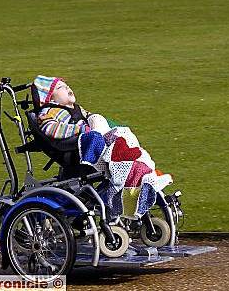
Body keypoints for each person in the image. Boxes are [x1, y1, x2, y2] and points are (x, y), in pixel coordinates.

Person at [33, 75, 172, 219]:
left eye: (66, 85)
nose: (67, 87)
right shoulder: (49, 112)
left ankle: (138, 173)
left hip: (95, 145)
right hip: (77, 151)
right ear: (50, 98)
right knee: (99, 138)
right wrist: (81, 130)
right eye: (60, 87)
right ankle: (123, 173)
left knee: (116, 132)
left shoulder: (78, 110)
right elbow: (51, 129)